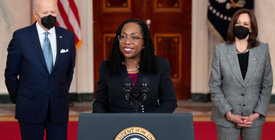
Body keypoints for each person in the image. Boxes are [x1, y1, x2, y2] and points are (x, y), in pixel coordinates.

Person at [4, 0, 76, 139]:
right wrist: (19, 99)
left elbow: (69, 71)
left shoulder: (68, 37)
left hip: (58, 109)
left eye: (53, 12)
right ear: (35, 14)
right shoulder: (21, 37)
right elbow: (11, 75)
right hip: (29, 108)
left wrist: (58, 92)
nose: (50, 15)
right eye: (45, 13)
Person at [209, 8, 273, 140]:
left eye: (245, 24)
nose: (240, 26)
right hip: (226, 118)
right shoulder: (220, 50)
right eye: (238, 23)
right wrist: (229, 114)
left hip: (253, 119)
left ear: (251, 28)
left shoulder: (263, 50)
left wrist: (257, 114)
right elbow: (214, 86)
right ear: (233, 25)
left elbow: (267, 84)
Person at [93, 19, 177, 113]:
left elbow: (169, 102)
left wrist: (151, 121)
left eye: (135, 37)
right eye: (123, 36)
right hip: (117, 125)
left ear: (144, 42)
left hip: (149, 125)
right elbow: (100, 103)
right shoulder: (107, 67)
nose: (127, 41)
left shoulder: (160, 65)